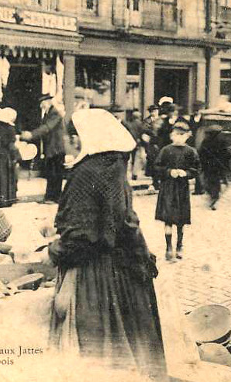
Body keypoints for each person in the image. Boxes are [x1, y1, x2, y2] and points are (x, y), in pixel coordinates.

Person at [47, 108, 166, 378]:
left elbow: (82, 239)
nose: (67, 143)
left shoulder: (87, 172)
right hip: (125, 268)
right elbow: (117, 220)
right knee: (131, 346)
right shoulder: (113, 165)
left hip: (98, 276)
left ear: (79, 140)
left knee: (100, 353)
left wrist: (53, 251)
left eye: (69, 138)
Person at [154, 121, 200, 260]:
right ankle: (168, 247)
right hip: (168, 188)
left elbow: (197, 169)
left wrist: (186, 173)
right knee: (168, 218)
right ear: (171, 136)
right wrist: (169, 172)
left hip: (182, 189)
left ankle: (179, 246)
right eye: (176, 134)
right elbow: (156, 167)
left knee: (181, 219)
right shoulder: (166, 150)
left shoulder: (191, 152)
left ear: (187, 136)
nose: (179, 137)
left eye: (182, 135)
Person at [20, 94, 66, 204]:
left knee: (56, 173)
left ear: (48, 102)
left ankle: (55, 197)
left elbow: (46, 128)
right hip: (51, 149)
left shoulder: (55, 113)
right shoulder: (48, 113)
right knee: (51, 173)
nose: (41, 105)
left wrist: (31, 134)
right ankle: (50, 196)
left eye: (42, 103)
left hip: (56, 149)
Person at [198, 125, 230, 210]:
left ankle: (213, 197)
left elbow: (201, 153)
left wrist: (202, 164)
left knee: (210, 180)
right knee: (215, 181)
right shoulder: (222, 142)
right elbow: (225, 155)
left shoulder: (206, 141)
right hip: (217, 166)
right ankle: (214, 196)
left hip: (208, 166)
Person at [143, 105, 163, 190]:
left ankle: (161, 181)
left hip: (161, 144)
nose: (154, 113)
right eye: (152, 111)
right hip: (152, 145)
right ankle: (155, 182)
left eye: (155, 111)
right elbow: (144, 131)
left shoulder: (162, 120)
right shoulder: (146, 121)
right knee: (153, 163)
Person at [122, 109, 145, 180]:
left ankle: (124, 174)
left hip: (128, 143)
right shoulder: (140, 124)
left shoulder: (128, 124)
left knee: (126, 159)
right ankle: (134, 174)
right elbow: (143, 133)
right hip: (137, 144)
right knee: (136, 159)